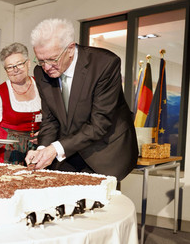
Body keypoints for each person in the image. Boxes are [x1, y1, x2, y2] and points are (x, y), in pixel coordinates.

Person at [25, 18, 137, 181]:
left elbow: (99, 124)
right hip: (68, 149)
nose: (46, 67)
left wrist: (54, 149)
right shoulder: (41, 72)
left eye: (52, 60)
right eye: (41, 60)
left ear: (70, 49)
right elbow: (50, 120)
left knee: (98, 203)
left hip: (104, 151)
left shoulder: (105, 64)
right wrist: (42, 150)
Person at [0, 43, 41, 164]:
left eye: (19, 64)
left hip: (37, 149)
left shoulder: (42, 86)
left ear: (28, 63)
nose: (15, 70)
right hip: (8, 151)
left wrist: (44, 133)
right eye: (10, 67)